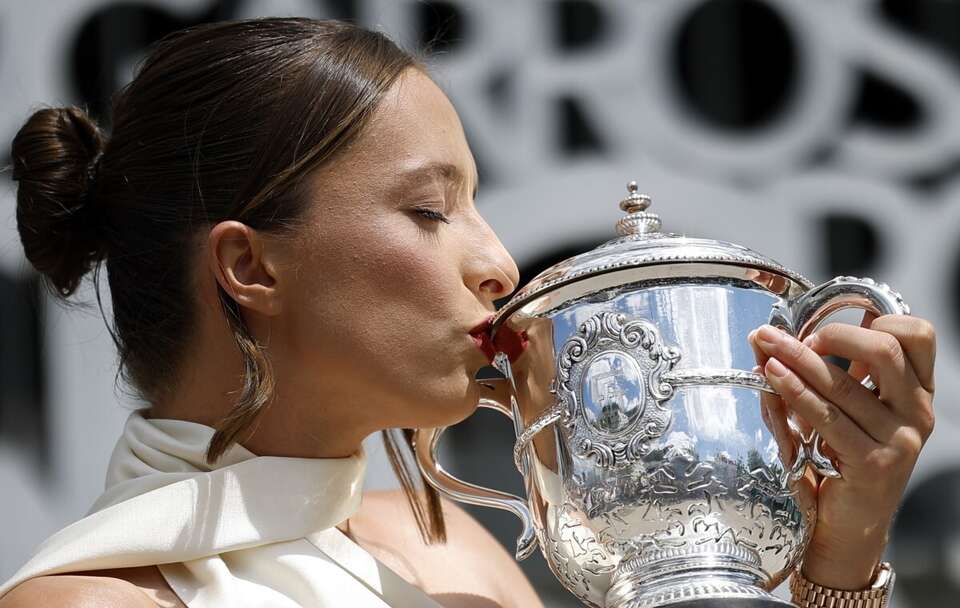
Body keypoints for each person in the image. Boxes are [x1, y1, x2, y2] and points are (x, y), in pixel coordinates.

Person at [0, 17, 935, 608]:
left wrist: (839, 557)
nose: (496, 264)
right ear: (250, 264)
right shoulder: (91, 603)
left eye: (478, 205)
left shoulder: (452, 553)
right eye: (428, 211)